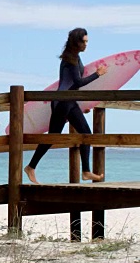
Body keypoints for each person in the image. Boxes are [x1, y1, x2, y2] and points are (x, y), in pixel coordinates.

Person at [24, 28, 107, 184]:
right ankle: (31, 167)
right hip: (62, 102)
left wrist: (82, 105)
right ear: (77, 41)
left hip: (69, 101)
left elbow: (73, 86)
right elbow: (77, 82)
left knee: (85, 134)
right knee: (53, 137)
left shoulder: (75, 57)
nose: (86, 44)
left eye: (87, 41)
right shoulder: (70, 59)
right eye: (84, 41)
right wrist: (98, 74)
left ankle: (86, 171)